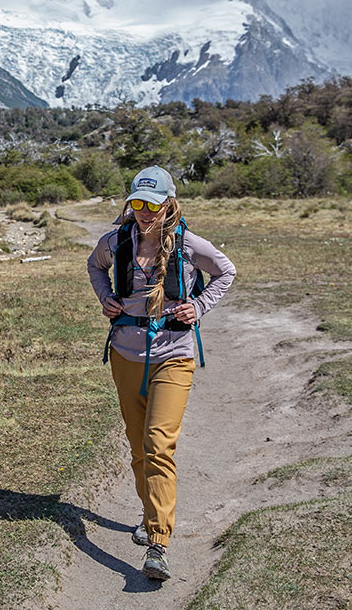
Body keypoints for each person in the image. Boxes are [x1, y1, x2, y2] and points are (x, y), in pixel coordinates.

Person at [86, 165, 235, 581]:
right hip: (125, 354)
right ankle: (149, 510)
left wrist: (199, 306)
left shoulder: (189, 245)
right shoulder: (116, 241)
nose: (145, 212)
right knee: (137, 443)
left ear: (169, 203)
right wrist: (105, 298)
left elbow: (227, 272)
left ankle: (158, 542)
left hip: (174, 355)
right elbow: (94, 267)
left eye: (152, 205)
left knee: (158, 443)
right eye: (137, 203)